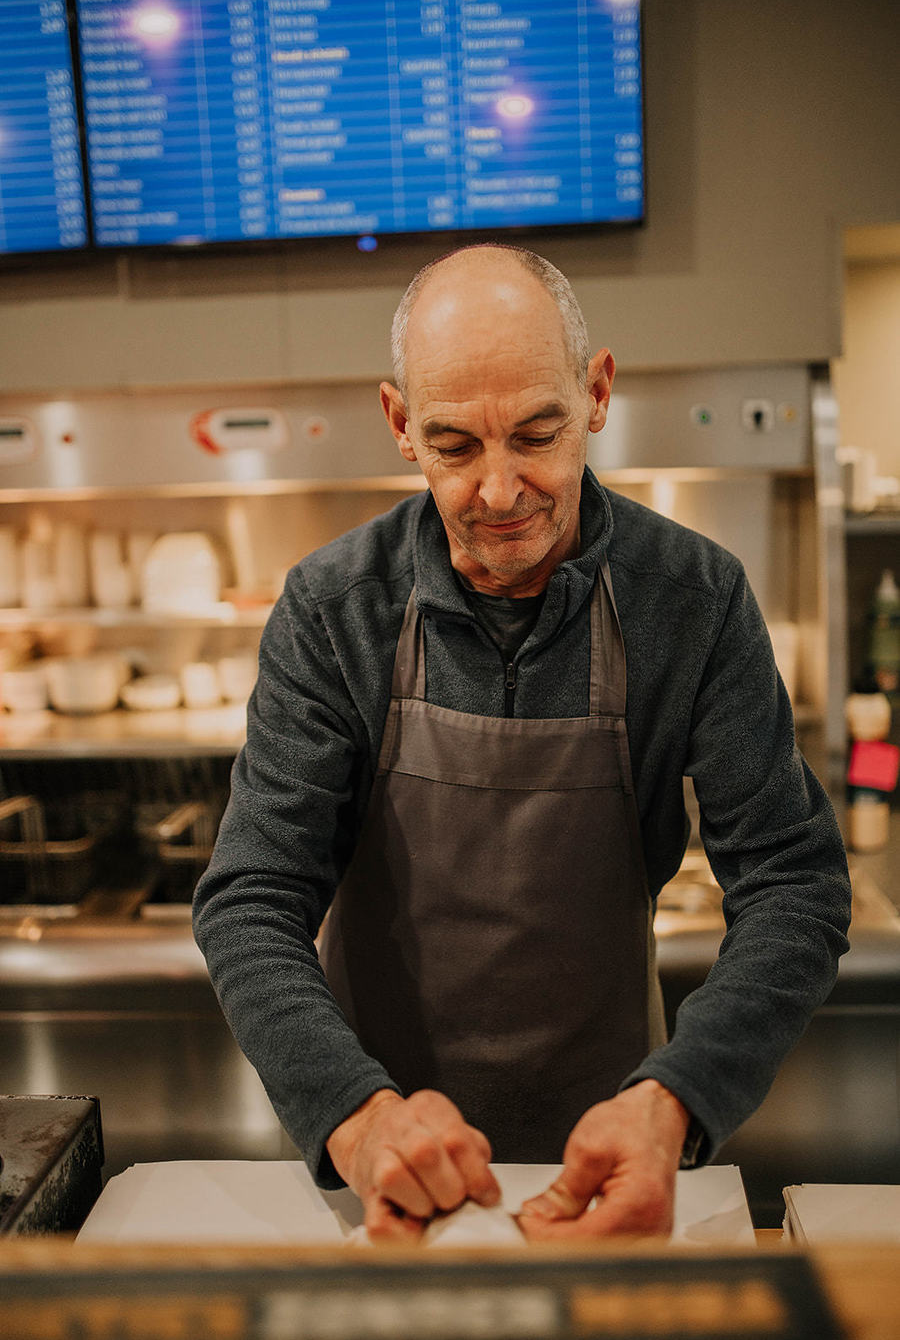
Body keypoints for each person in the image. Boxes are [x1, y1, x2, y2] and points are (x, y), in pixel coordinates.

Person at [193, 244, 851, 1242]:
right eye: (455, 447)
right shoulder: (335, 609)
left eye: (537, 436)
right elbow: (250, 899)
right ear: (400, 425)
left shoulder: (696, 600)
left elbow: (795, 885)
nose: (499, 492)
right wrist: (358, 1122)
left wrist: (674, 1105)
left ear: (596, 394)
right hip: (385, 1166)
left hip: (613, 1141)